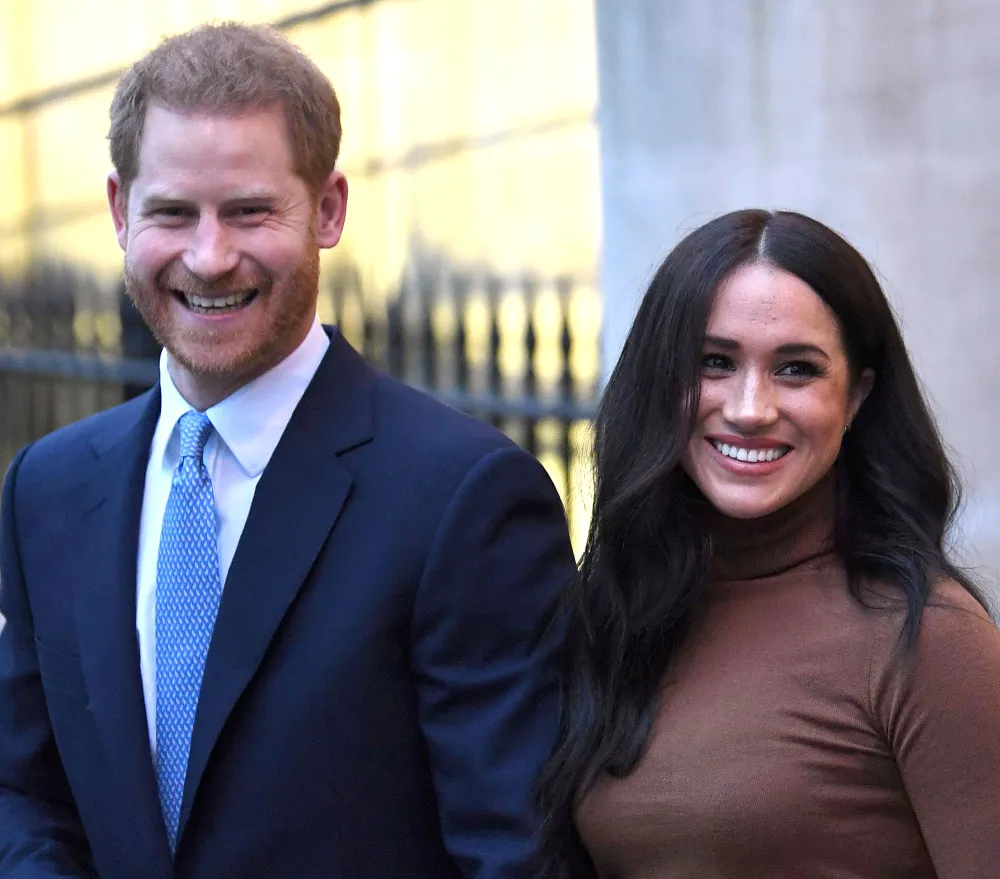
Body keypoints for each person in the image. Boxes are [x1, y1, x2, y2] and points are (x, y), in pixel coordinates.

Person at [0, 22, 576, 879]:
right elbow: (27, 792)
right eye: (171, 212)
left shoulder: (464, 498)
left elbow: (516, 854)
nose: (209, 255)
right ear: (120, 211)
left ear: (329, 208)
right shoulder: (45, 486)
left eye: (250, 210)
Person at [535, 208, 1000, 878]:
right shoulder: (621, 612)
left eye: (797, 369)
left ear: (857, 396)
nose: (750, 408)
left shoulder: (929, 639)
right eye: (714, 362)